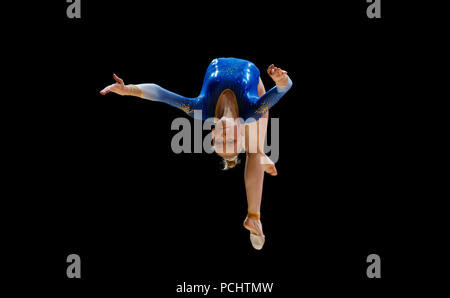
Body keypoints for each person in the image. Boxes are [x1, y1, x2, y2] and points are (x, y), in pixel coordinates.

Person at [100, 57, 292, 249]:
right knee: (257, 138)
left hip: (218, 65)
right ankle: (254, 215)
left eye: (219, 141)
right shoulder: (252, 111)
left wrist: (128, 90)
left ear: (212, 133)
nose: (224, 135)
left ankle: (257, 166)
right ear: (243, 131)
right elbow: (286, 86)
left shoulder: (199, 108)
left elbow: (160, 94)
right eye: (231, 141)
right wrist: (280, 80)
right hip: (252, 100)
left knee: (255, 148)